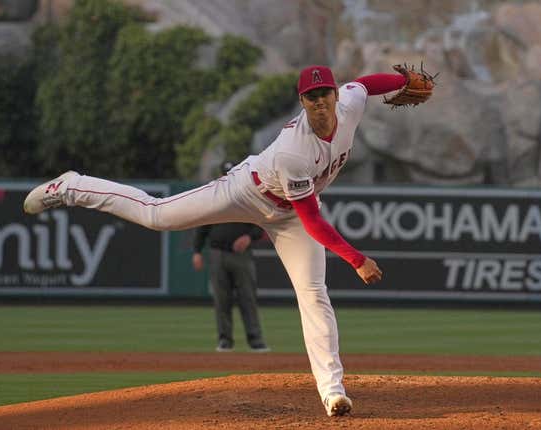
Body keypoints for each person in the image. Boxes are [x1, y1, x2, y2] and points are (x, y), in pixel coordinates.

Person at [24, 64, 414, 417]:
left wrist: (404, 81)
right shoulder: (294, 151)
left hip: (290, 216)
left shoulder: (350, 105)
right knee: (157, 215)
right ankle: (73, 186)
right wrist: (355, 258)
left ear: (333, 94)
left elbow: (364, 83)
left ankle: (332, 394)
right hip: (250, 191)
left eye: (324, 93)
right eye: (311, 97)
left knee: (313, 293)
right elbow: (313, 220)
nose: (320, 102)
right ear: (302, 102)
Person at [192, 161, 269, 353]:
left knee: (247, 298)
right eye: (225, 174)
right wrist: (196, 251)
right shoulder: (214, 198)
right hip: (217, 253)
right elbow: (203, 226)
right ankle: (225, 340)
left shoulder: (249, 197)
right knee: (221, 299)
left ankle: (255, 340)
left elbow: (263, 223)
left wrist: (249, 237)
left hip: (241, 255)